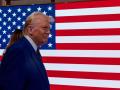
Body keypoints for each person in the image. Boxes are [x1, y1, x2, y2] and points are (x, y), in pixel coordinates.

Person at [0, 12, 50, 90]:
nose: (48, 32)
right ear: (30, 29)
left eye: (49, 28)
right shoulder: (18, 51)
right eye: (44, 28)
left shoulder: (32, 50)